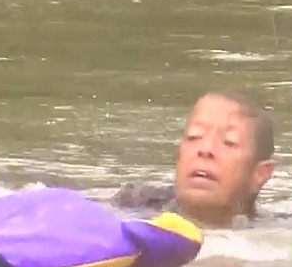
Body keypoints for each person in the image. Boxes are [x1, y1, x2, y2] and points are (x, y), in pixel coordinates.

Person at [112, 90, 276, 229]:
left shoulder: (278, 238)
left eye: (229, 142)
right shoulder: (132, 204)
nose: (205, 149)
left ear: (260, 174)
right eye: (194, 137)